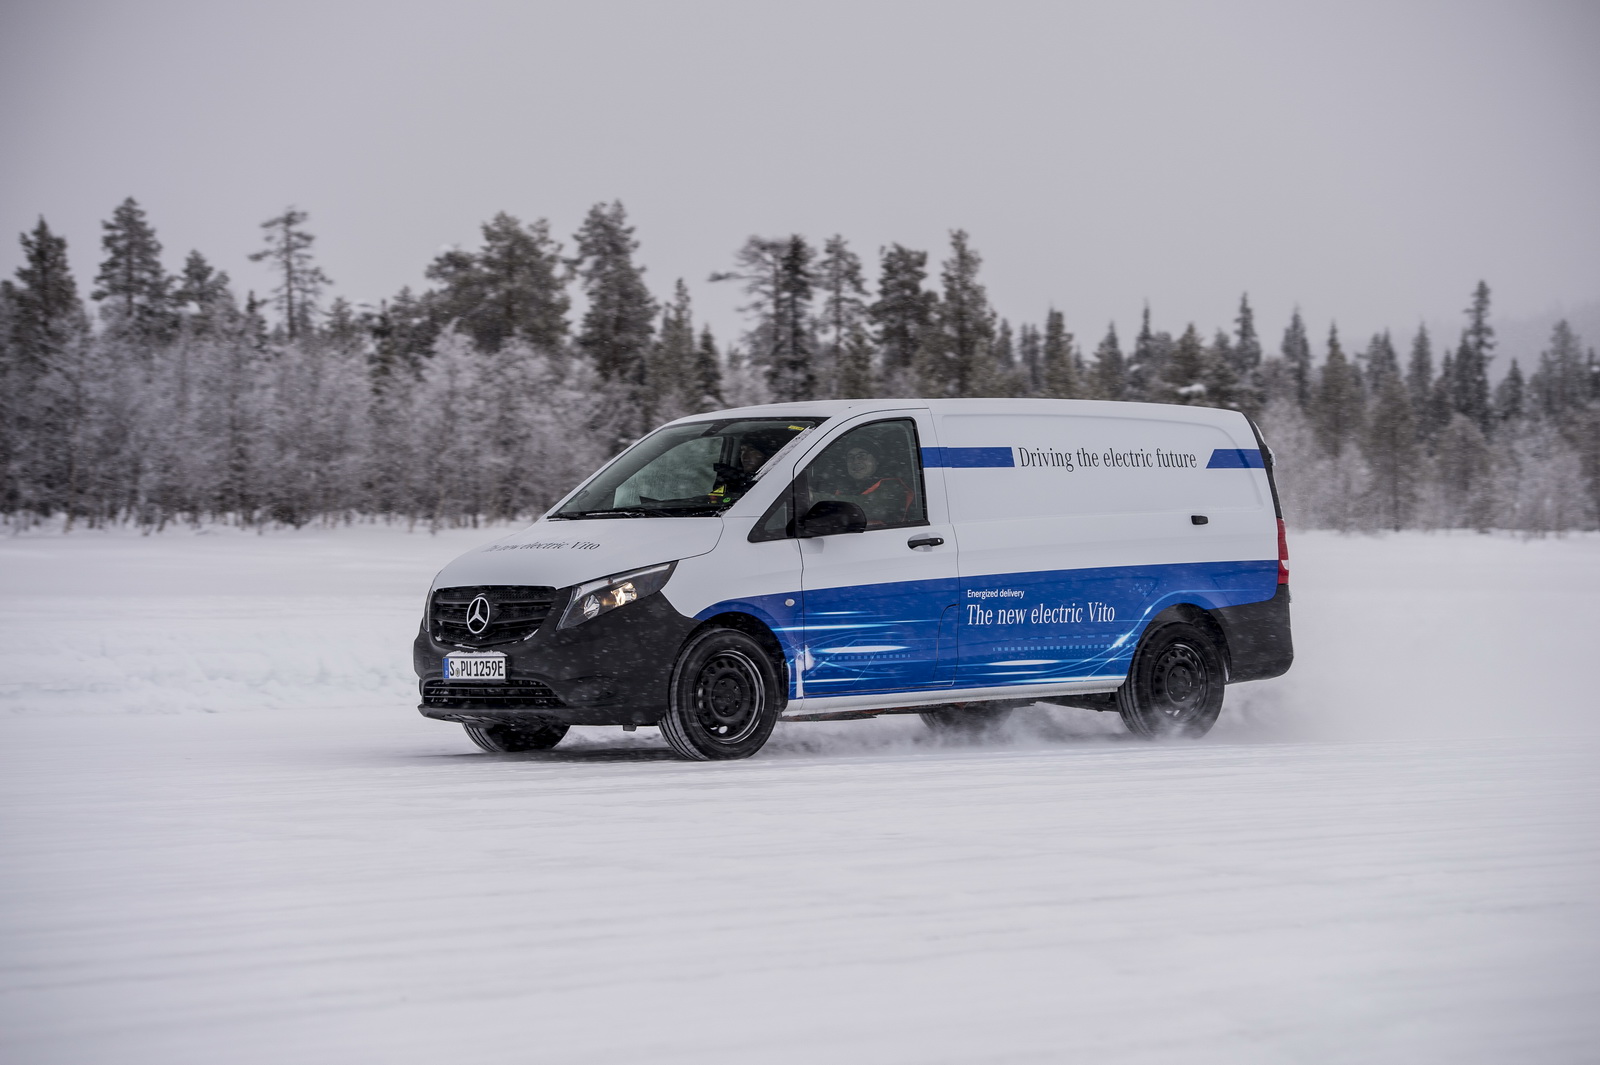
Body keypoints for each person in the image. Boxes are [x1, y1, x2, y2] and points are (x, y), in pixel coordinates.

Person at [841, 444, 913, 525]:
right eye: (850, 457)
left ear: (876, 460)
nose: (855, 461)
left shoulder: (892, 486)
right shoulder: (842, 487)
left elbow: (865, 508)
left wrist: (826, 503)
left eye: (862, 456)